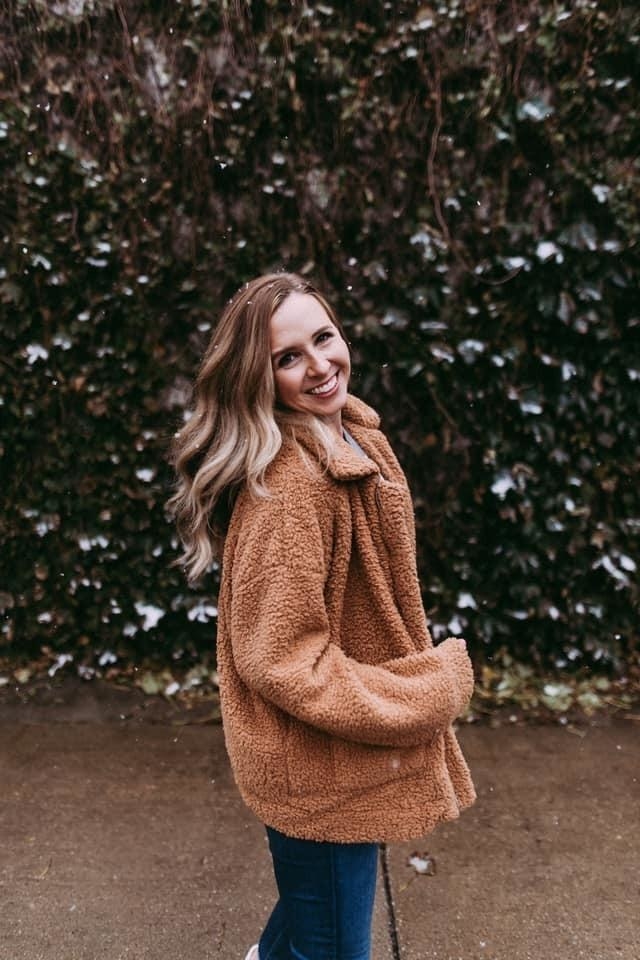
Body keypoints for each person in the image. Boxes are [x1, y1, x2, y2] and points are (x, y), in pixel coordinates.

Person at [168, 272, 476, 960]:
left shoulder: (354, 436)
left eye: (323, 338)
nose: (319, 365)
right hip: (319, 767)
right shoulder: (292, 490)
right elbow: (281, 658)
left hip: (340, 757)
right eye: (288, 357)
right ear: (260, 379)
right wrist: (420, 695)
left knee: (314, 925)